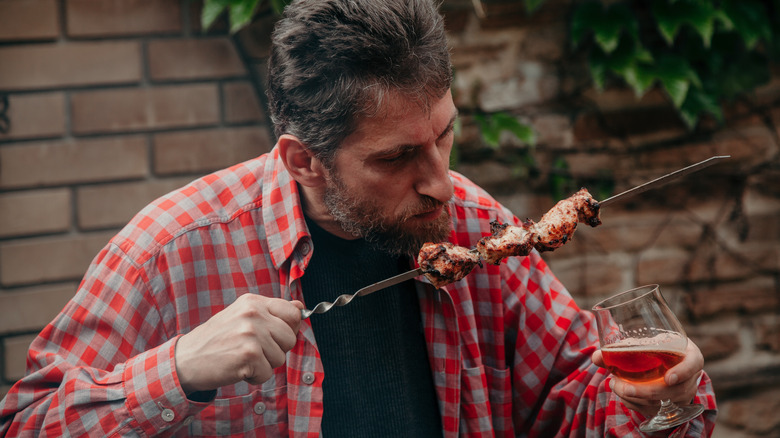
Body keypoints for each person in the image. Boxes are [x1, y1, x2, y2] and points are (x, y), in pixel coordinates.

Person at [0, 0, 717, 436]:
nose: (441, 183)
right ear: (302, 160)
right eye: (398, 157)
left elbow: (576, 402)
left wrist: (660, 395)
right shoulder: (171, 249)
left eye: (445, 135)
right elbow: (29, 424)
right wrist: (178, 371)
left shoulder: (470, 223)